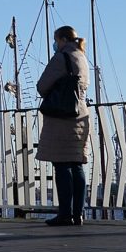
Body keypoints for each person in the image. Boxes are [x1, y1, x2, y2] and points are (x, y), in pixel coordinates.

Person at [36, 26, 92, 226]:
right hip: (81, 114)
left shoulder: (61, 57)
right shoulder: (83, 58)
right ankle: (79, 214)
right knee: (77, 164)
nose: (55, 44)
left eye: (56, 40)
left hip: (62, 116)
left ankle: (65, 214)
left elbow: (42, 86)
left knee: (61, 165)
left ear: (63, 39)